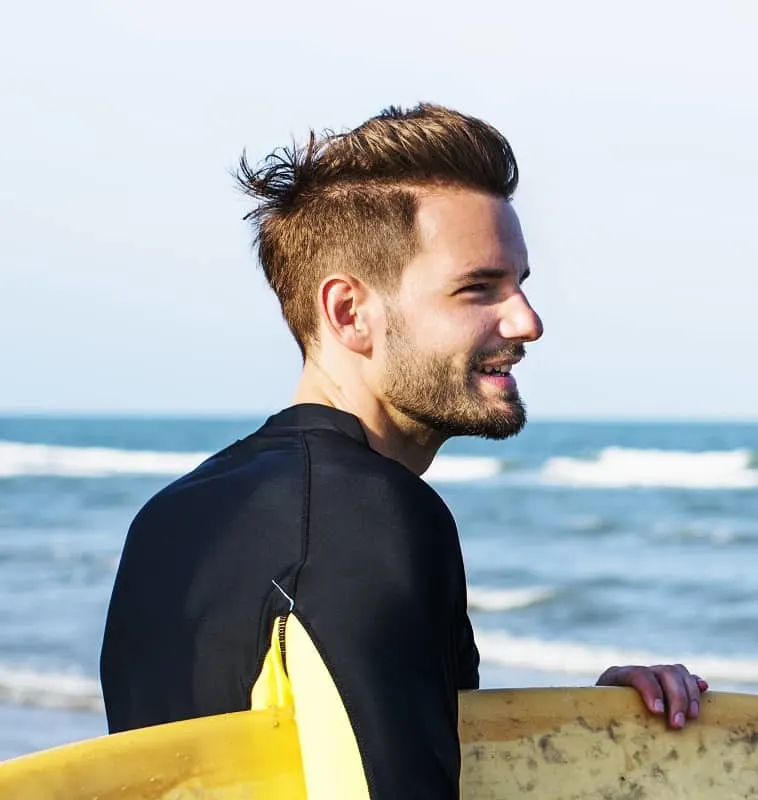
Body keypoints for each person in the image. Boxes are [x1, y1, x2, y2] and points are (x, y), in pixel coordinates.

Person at [101, 104, 708, 798]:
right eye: (478, 288)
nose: (527, 322)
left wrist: (585, 734)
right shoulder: (368, 515)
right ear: (349, 313)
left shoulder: (170, 520)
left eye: (522, 285)